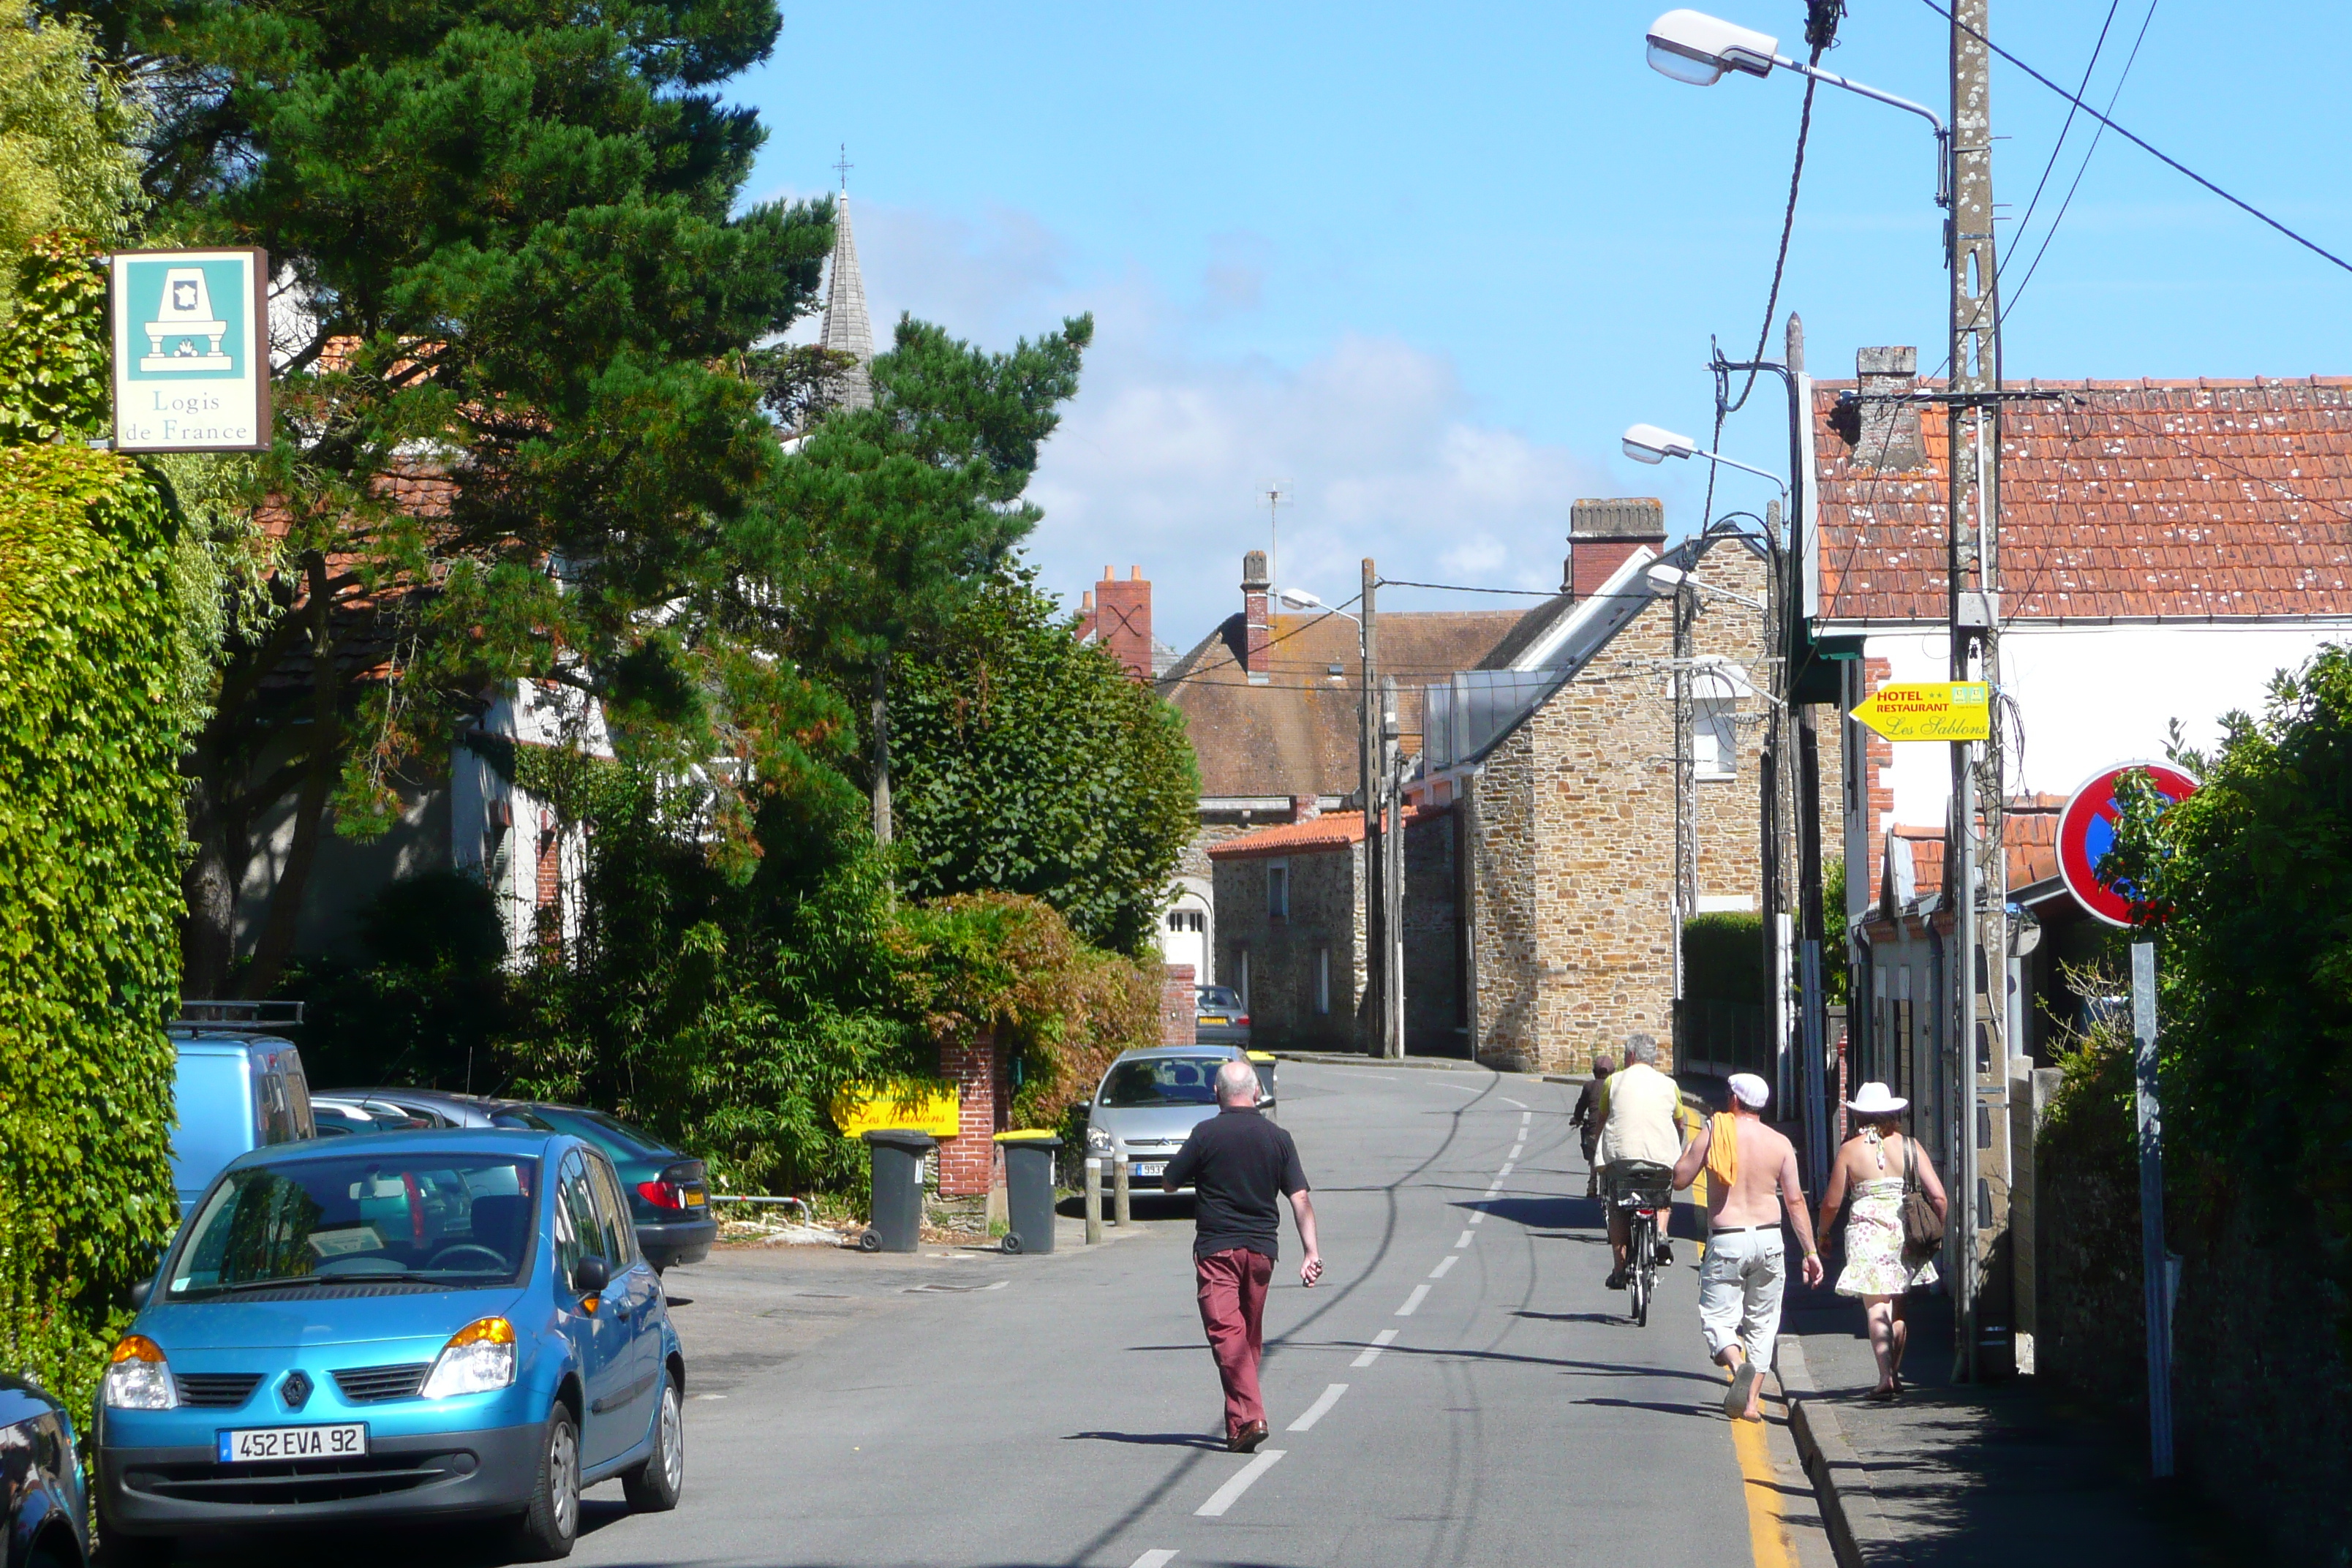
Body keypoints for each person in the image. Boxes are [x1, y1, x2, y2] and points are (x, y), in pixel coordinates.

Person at [1163, 1058, 1324, 1452]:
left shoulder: (1204, 1135)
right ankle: (1238, 1429)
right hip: (1262, 1255)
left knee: (1226, 1335)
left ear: (1215, 1093)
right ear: (1257, 1093)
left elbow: (1169, 1182)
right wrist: (1311, 1251)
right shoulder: (1279, 1138)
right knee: (1246, 1340)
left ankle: (1253, 1415)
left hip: (1218, 1250)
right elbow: (1300, 1197)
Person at [1671, 1071, 1823, 1421]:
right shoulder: (1781, 1143)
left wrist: (1683, 1155)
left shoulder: (1715, 1131)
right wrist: (1811, 1252)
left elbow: (1681, 1180)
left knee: (1718, 1320)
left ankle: (1736, 1363)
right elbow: (1796, 1202)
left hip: (1729, 1238)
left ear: (1733, 1100)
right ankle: (1752, 1404)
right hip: (1770, 1238)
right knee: (1763, 1325)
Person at [1816, 1082, 1948, 1401]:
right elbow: (1939, 1197)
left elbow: (1832, 1203)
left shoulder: (1850, 1149)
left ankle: (1885, 1376)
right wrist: (1935, 1234)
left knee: (1876, 1306)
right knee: (1898, 1308)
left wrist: (1822, 1234)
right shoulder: (1910, 1146)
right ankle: (1894, 1375)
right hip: (1903, 1234)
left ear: (1860, 1115)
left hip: (1865, 1234)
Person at [1597, 1034, 1684, 1288]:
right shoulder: (1670, 1086)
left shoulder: (1613, 1082)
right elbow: (1679, 1123)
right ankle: (1661, 1234)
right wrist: (1675, 1142)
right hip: (1660, 1161)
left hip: (1622, 1161)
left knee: (1617, 1206)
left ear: (1632, 1057)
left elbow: (1602, 1120)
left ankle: (1619, 1268)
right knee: (1663, 1195)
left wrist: (1597, 1145)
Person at [1572, 1055, 1614, 1199]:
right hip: (1612, 1131)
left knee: (1592, 1153)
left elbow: (1581, 1107)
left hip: (1593, 1132)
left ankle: (1592, 1181)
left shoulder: (1588, 1086)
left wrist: (1576, 1119)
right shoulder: (1615, 1085)